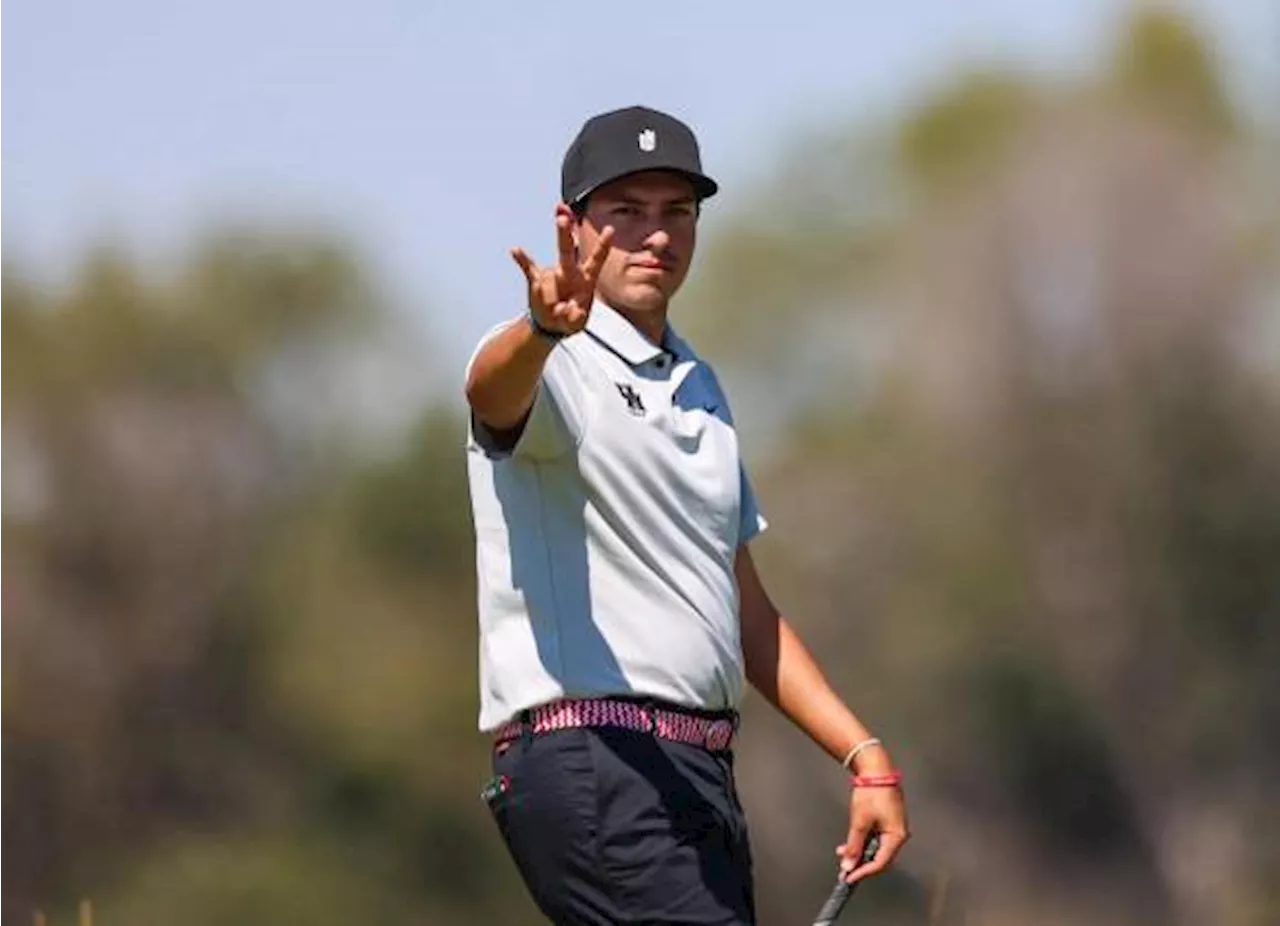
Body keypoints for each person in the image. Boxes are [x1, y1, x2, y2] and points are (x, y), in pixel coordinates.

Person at [463, 104, 909, 925]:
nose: (655, 235)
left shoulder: (699, 385)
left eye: (676, 212)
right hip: (597, 758)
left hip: (692, 771)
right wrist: (538, 329)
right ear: (572, 224)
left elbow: (744, 608)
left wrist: (863, 754)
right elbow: (490, 395)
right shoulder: (556, 357)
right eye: (626, 212)